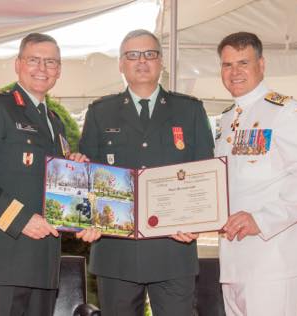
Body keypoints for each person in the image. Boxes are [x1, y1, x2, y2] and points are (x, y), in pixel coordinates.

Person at [77, 29, 215, 316]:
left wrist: (197, 221)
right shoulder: (100, 112)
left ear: (161, 62)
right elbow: (85, 177)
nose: (142, 61)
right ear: (121, 64)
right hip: (116, 250)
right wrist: (84, 219)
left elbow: (205, 172)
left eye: (150, 54)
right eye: (133, 55)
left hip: (173, 247)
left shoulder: (189, 110)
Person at [0, 33, 84, 316]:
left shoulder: (54, 122)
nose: (42, 68)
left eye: (50, 62)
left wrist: (76, 170)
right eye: (34, 59)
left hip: (44, 263)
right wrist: (20, 219)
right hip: (3, 263)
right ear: (18, 64)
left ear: (58, 70)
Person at [215, 31, 297, 316]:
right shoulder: (227, 119)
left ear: (262, 64)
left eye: (243, 62)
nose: (235, 72)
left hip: (275, 260)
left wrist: (262, 219)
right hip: (234, 260)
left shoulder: (286, 111)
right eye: (227, 65)